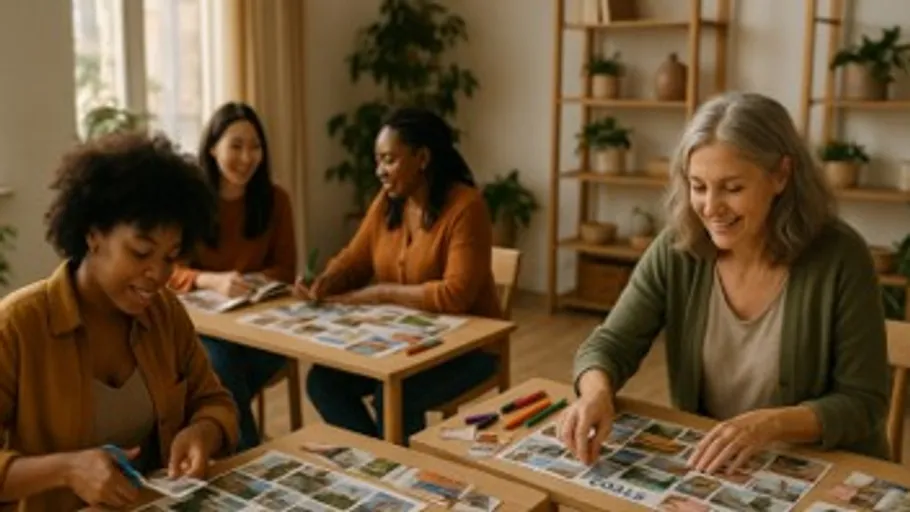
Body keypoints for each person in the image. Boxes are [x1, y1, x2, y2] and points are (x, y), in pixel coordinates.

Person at [561, 92, 890, 472]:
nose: (711, 208)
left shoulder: (841, 256)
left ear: (781, 175)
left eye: (732, 188)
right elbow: (611, 344)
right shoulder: (677, 248)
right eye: (698, 186)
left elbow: (864, 401)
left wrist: (770, 424)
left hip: (829, 470)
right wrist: (596, 393)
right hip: (724, 468)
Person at [0, 133, 239, 510]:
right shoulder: (18, 326)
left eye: (170, 257)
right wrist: (66, 470)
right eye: (141, 252)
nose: (157, 274)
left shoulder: (165, 313)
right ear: (93, 235)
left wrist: (203, 432)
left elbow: (214, 400)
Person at [295, 107, 501, 442]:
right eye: (378, 161)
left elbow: (456, 294)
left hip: (469, 350)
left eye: (389, 160)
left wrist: (380, 293)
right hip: (403, 343)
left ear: (422, 157)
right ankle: (380, 463)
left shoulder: (467, 206)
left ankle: (399, 474)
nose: (380, 171)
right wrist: (326, 281)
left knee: (394, 393)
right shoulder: (389, 200)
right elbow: (356, 260)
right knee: (323, 382)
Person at [168, 102, 297, 451]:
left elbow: (286, 269)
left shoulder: (276, 200)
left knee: (226, 375)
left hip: (262, 326)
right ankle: (250, 452)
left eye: (255, 146)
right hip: (207, 328)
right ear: (212, 148)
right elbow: (168, 270)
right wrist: (210, 280)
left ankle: (220, 433)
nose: (247, 157)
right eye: (236, 146)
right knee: (220, 363)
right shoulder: (189, 202)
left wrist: (248, 281)